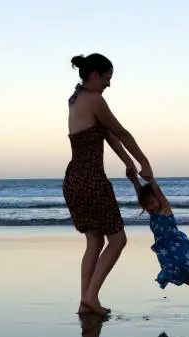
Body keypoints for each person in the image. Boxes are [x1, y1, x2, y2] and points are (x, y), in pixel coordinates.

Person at [63, 53, 153, 316]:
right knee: (118, 240)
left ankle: (85, 302)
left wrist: (128, 163)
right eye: (106, 78)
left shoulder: (76, 99)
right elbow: (122, 132)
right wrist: (145, 163)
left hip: (74, 179)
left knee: (94, 241)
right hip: (91, 180)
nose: (108, 84)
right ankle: (91, 296)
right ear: (93, 75)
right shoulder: (95, 100)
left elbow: (107, 134)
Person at [131, 177, 189, 298]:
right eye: (147, 205)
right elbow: (141, 195)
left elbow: (158, 192)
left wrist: (151, 180)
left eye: (152, 202)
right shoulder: (152, 213)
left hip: (177, 244)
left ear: (158, 199)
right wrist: (134, 181)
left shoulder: (165, 209)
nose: (150, 207)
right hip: (164, 250)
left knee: (186, 264)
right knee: (171, 272)